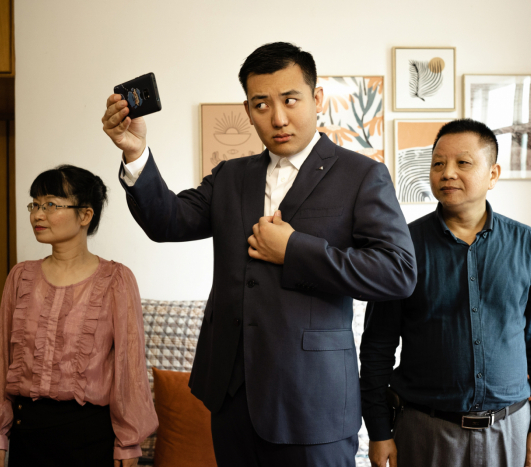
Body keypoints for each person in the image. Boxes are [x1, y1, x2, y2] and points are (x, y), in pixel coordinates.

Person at [101, 42, 417, 466]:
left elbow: (397, 272)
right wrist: (135, 152)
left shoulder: (362, 175)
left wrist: (294, 250)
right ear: (247, 109)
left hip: (312, 401)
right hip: (231, 395)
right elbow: (168, 222)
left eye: (290, 100)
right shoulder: (231, 175)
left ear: (317, 98)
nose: (278, 118)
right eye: (261, 105)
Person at [360, 119, 531, 467]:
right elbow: (377, 348)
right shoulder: (402, 247)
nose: (447, 172)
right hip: (426, 430)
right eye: (438, 163)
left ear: (493, 174)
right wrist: (379, 431)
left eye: (462, 163)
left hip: (511, 430)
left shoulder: (527, 244)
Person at [0, 165, 157, 467]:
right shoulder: (21, 277)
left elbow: (129, 366)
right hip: (26, 430)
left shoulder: (116, 280)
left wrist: (128, 443)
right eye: (35, 204)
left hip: (90, 435)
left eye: (51, 205)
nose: (37, 215)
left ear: (85, 215)